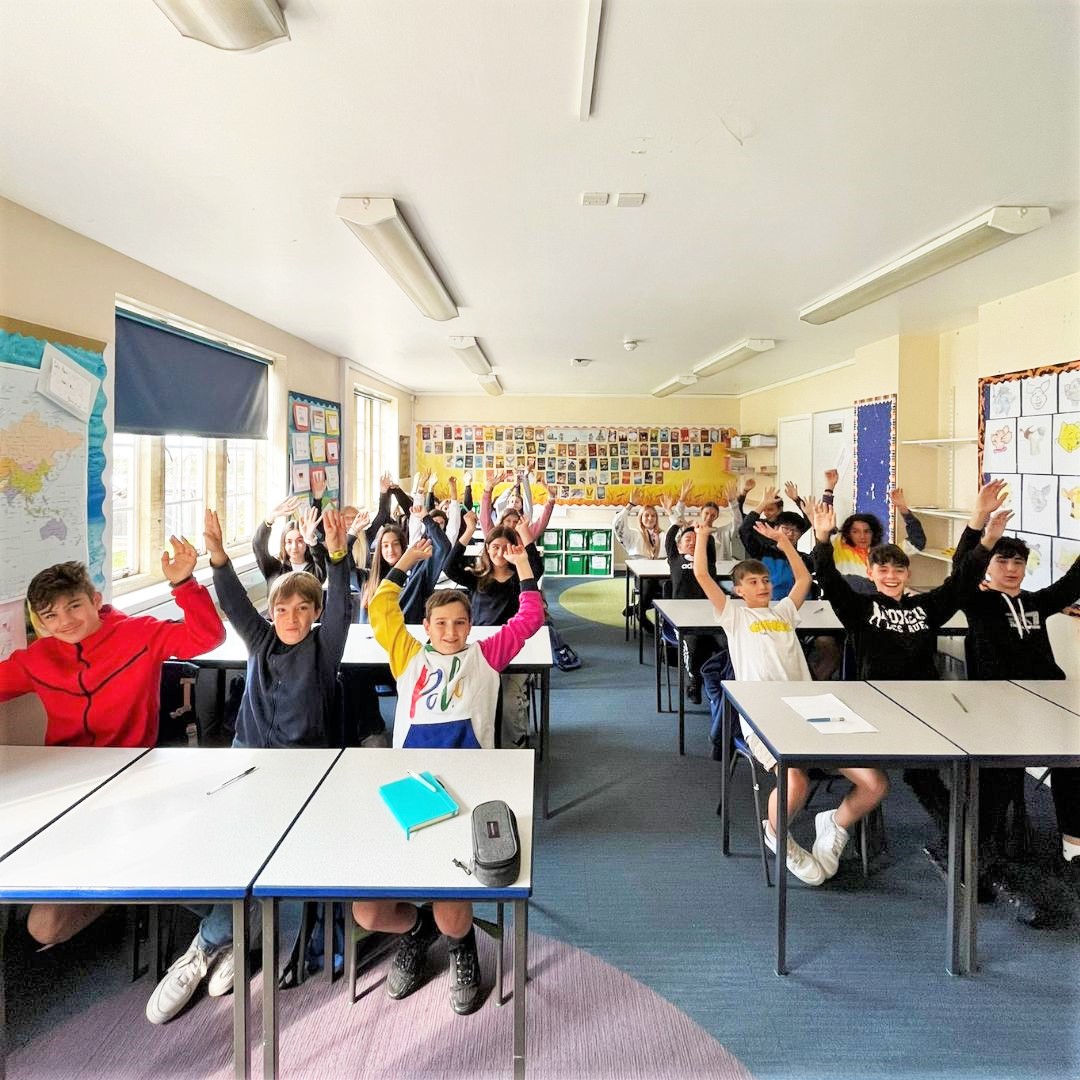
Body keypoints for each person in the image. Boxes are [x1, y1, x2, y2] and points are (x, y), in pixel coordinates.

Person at [145, 508, 354, 1025]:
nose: (292, 618)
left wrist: (338, 554)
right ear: (272, 612)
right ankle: (240, 929)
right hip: (246, 763)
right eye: (282, 609)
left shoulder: (323, 650)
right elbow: (236, 605)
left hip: (301, 775)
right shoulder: (260, 642)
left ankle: (209, 944)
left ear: (314, 614)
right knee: (200, 851)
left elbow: (342, 610)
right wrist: (217, 557)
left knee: (258, 851)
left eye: (303, 610)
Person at [354, 536, 544, 1015]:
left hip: (469, 789)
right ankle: (417, 931)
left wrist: (524, 567)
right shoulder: (407, 654)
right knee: (368, 911)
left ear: (470, 626)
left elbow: (529, 619)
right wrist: (405, 562)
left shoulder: (486, 655)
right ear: (426, 627)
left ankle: (461, 947)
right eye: (440, 623)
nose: (451, 631)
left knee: (450, 902)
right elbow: (381, 608)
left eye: (460, 622)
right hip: (412, 787)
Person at [0, 548, 225, 947]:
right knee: (42, 925)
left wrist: (184, 584)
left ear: (95, 600)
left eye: (74, 606)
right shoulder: (37, 659)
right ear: (41, 622)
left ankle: (139, 891)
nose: (65, 621)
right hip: (63, 785)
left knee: (47, 923)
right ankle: (111, 884)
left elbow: (207, 637)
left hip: (133, 777)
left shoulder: (139, 634)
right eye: (51, 615)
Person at [692, 520, 888, 884]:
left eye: (765, 580)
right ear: (738, 590)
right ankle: (776, 834)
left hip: (811, 709)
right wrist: (703, 534)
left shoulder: (783, 612)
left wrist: (785, 543)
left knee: (874, 783)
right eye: (753, 582)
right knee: (795, 780)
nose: (762, 586)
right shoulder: (734, 615)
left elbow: (803, 580)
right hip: (762, 714)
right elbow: (702, 575)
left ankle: (835, 822)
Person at [949, 481, 1080, 918]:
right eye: (1002, 561)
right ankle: (978, 860)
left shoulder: (1037, 603)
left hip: (1047, 702)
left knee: (1073, 762)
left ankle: (1072, 845)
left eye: (1018, 562)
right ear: (988, 566)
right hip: (996, 707)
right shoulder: (978, 602)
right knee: (999, 779)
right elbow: (960, 571)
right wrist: (978, 525)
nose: (1011, 568)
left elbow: (1074, 580)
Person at [441, 514, 545, 746]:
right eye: (494, 547)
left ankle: (514, 746)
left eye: (505, 548)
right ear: (487, 549)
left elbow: (536, 568)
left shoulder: (520, 578)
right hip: (481, 650)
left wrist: (524, 533)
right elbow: (449, 567)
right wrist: (469, 530)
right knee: (465, 696)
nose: (499, 553)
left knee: (509, 701)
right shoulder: (477, 578)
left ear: (514, 550)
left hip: (515, 652)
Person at [821, 471, 926, 593]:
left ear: (874, 533)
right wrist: (829, 488)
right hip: (843, 599)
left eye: (867, 531)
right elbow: (823, 519)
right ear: (848, 533)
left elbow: (917, 542)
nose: (862, 536)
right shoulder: (838, 544)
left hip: (874, 601)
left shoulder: (883, 553)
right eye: (855, 532)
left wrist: (903, 509)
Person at [664, 520, 720, 704]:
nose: (692, 542)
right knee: (693, 645)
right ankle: (693, 681)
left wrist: (703, 532)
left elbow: (708, 542)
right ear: (679, 546)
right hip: (683, 617)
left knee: (725, 642)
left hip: (709, 615)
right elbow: (669, 540)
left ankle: (723, 680)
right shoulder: (675, 560)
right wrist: (677, 524)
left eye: (696, 540)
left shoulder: (707, 561)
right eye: (687, 539)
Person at [613, 489, 679, 635]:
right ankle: (641, 615)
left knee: (668, 586)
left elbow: (678, 531)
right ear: (641, 518)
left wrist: (669, 511)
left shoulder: (663, 535)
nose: (650, 518)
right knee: (648, 585)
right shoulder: (633, 535)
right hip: (643, 577)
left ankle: (664, 620)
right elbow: (618, 526)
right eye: (646, 515)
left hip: (661, 575)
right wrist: (630, 505)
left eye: (653, 515)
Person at [252, 496, 327, 589]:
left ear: (306, 543)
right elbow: (258, 546)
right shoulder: (274, 568)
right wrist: (270, 518)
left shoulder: (314, 571)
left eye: (300, 541)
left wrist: (311, 540)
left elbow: (321, 560)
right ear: (283, 544)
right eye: (289, 542)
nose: (294, 546)